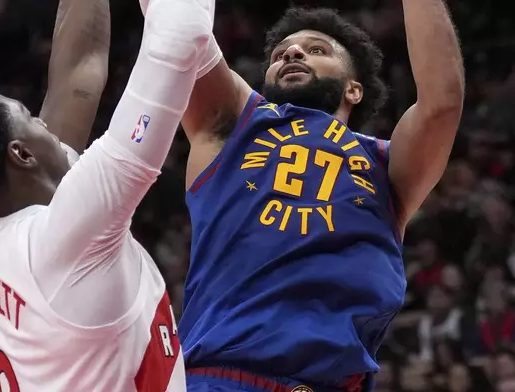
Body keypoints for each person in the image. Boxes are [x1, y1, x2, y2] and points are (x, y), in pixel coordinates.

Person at [0, 0, 216, 388]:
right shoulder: (66, 241)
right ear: (21, 154)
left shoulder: (7, 223)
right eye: (28, 115)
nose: (42, 119)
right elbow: (182, 34)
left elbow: (79, 69)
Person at [174, 2, 464, 391]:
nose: (292, 53)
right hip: (223, 377)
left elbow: (442, 102)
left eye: (317, 50)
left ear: (353, 89)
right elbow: (177, 26)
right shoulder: (233, 126)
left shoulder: (387, 164)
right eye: (280, 55)